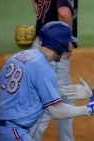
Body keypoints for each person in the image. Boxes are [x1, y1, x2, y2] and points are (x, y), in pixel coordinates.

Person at [0, 21, 94, 141]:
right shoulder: (44, 69)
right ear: (60, 45)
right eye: (67, 43)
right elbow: (56, 111)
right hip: (11, 133)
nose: (69, 47)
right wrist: (88, 110)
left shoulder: (18, 56)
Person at [30, 0, 78, 140]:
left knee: (67, 96)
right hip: (54, 48)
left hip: (42, 41)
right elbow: (64, 13)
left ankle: (66, 138)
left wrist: (42, 23)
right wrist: (66, 39)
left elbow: (35, 2)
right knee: (50, 102)